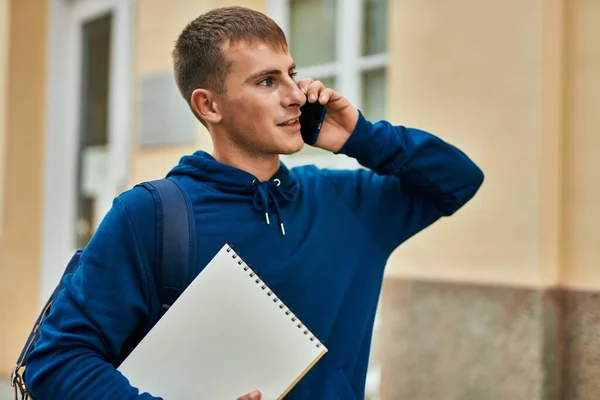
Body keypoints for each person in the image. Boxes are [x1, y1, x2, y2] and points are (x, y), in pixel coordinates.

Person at [24, 5, 484, 400]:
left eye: (292, 74)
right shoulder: (151, 216)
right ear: (209, 106)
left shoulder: (346, 202)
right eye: (266, 81)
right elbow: (57, 360)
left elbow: (458, 179)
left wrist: (362, 137)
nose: (294, 96)